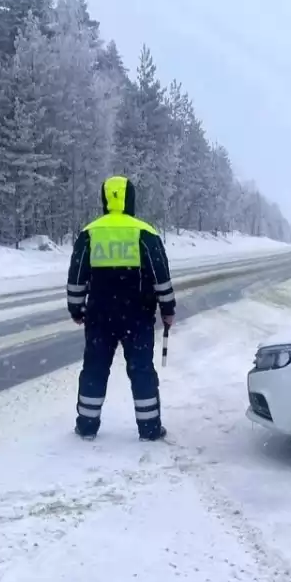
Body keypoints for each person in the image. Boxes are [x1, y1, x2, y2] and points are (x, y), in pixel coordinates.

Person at [66, 175, 176, 441]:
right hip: (138, 316)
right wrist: (168, 308)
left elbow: (77, 275)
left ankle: (87, 425)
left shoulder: (90, 233)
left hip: (99, 316)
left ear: (104, 199)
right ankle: (149, 429)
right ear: (131, 199)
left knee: (94, 368)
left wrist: (76, 309)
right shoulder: (145, 233)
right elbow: (160, 275)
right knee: (141, 370)